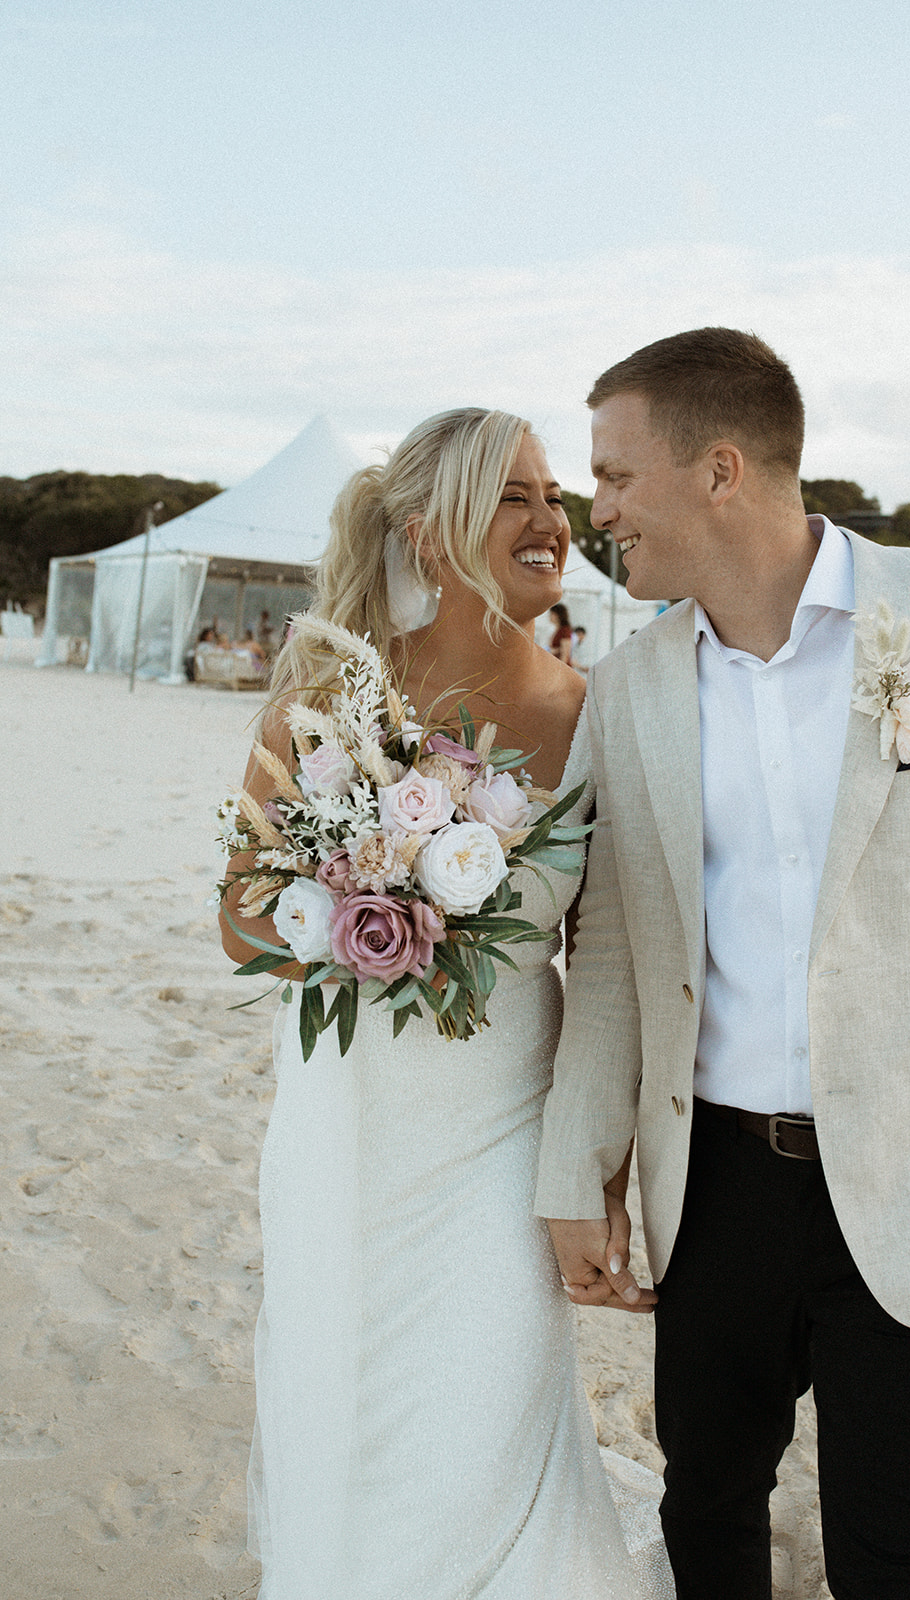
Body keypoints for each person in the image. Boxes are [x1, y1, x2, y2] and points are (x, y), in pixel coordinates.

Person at [535, 328, 910, 1599]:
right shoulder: (624, 686)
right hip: (712, 1182)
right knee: (707, 1508)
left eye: (612, 475)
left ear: (718, 469)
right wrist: (577, 1161)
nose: (591, 508)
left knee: (907, 1559)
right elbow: (607, 946)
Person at [219, 408, 673, 1599]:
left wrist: (600, 1170)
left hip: (500, 1132)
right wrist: (358, 906)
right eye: (513, 495)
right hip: (344, 1130)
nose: (551, 520)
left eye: (555, 494)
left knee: (485, 1395)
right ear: (429, 538)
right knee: (346, 1395)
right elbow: (236, 920)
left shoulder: (592, 711)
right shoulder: (322, 701)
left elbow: (612, 964)